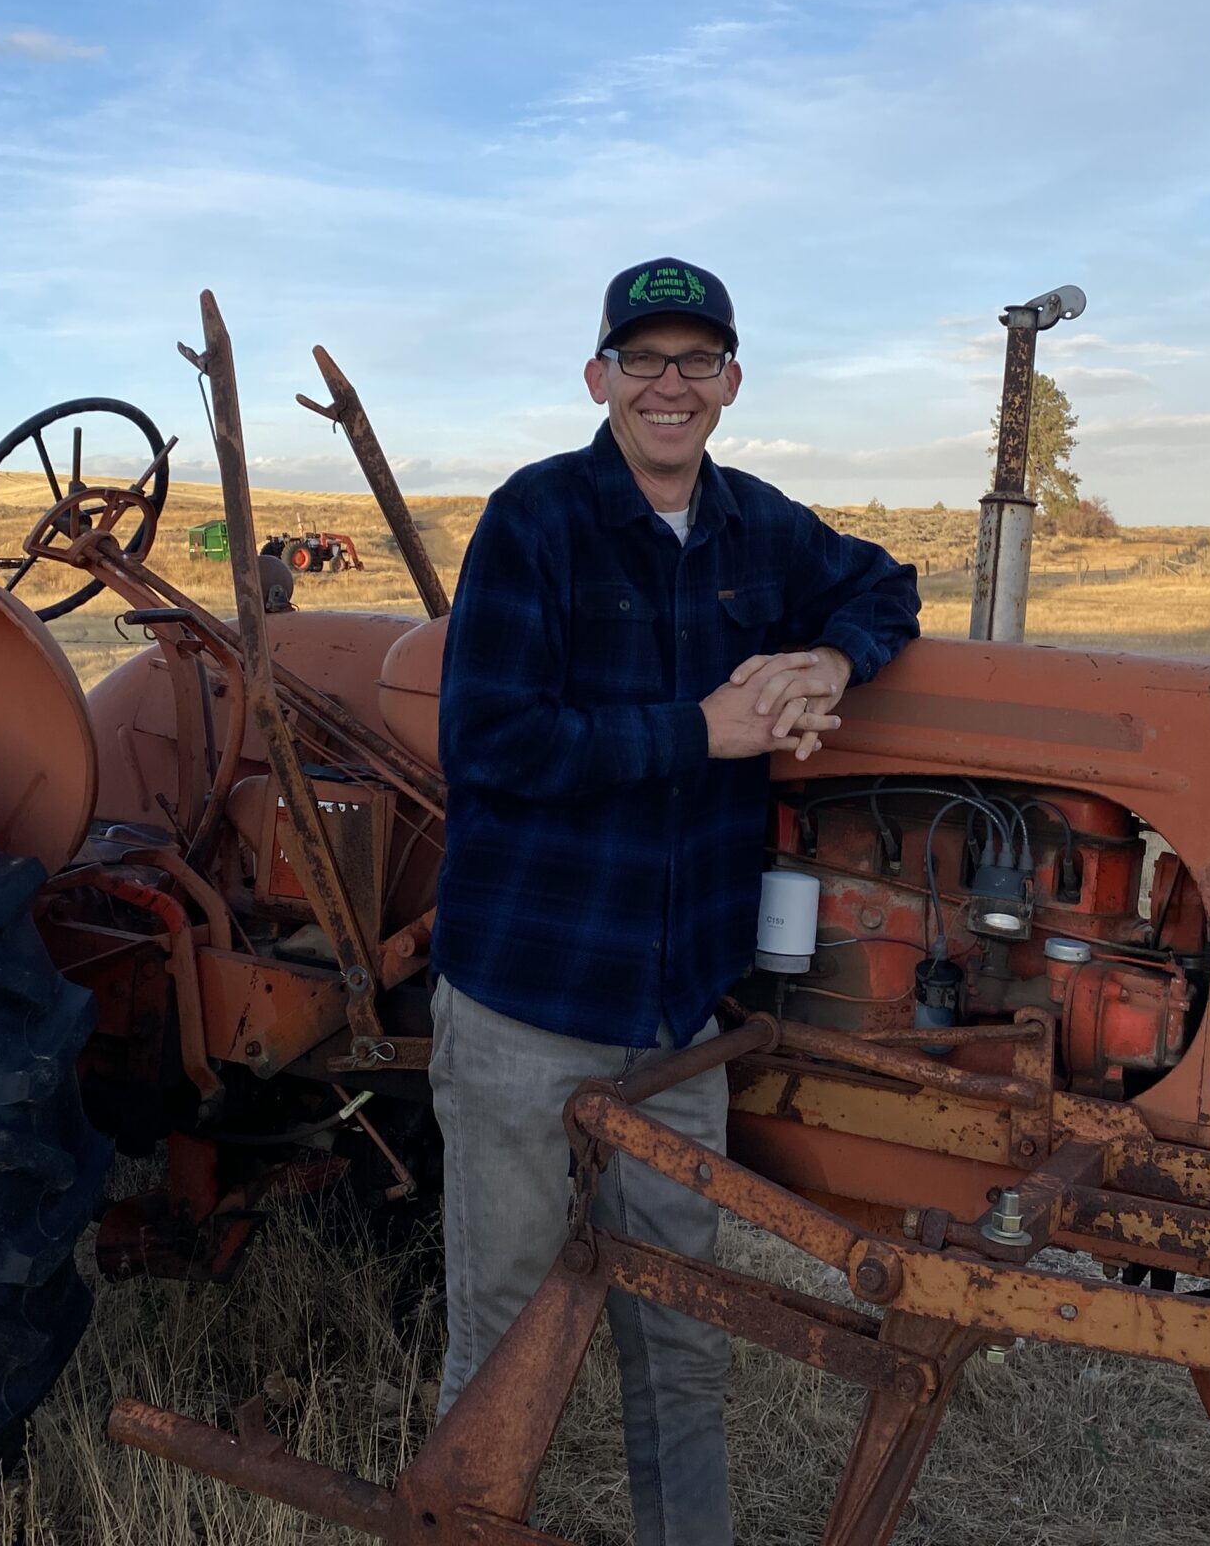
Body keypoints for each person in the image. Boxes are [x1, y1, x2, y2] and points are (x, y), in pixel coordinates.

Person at [428, 258, 921, 1546]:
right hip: (529, 1004)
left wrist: (830, 656)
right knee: (505, 1322)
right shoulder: (535, 520)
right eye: (644, 361)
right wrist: (696, 733)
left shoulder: (762, 529)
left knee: (684, 1332)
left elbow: (886, 584)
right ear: (600, 378)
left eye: (696, 362)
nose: (669, 384)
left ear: (732, 385)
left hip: (681, 1022)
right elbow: (491, 744)